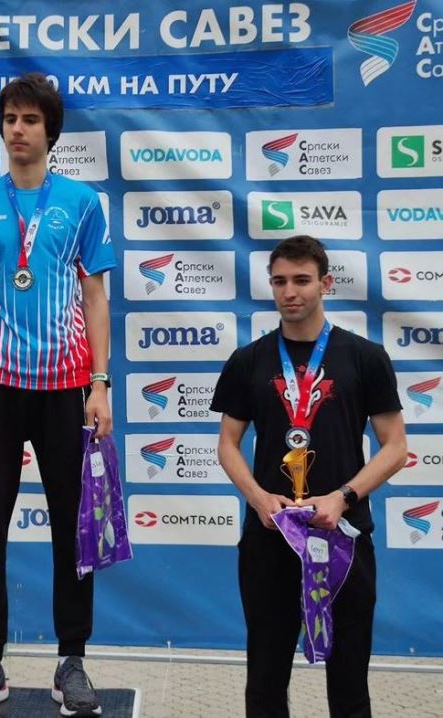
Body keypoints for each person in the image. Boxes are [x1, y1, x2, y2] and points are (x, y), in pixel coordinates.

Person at [0, 73, 115, 717]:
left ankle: (72, 661)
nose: (17, 130)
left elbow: (95, 297)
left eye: (30, 120)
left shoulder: (82, 202)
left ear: (51, 131)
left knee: (72, 529)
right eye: (10, 119)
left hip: (65, 387)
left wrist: (100, 383)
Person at [211, 235, 407, 718]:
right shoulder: (248, 360)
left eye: (301, 280)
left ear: (326, 284)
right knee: (264, 681)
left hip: (344, 535)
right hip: (270, 536)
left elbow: (396, 448)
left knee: (349, 683)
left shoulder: (365, 357)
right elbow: (228, 444)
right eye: (279, 281)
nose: (289, 292)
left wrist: (343, 497)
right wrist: (259, 498)